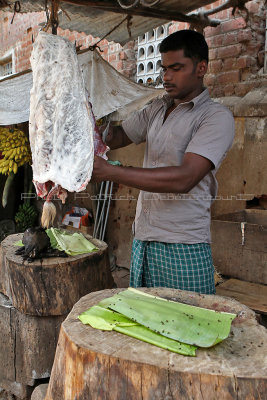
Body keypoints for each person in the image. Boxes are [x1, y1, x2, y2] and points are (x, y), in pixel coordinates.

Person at [92, 29, 235, 294]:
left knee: (188, 327)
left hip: (182, 243)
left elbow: (185, 178)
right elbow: (121, 136)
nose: (166, 77)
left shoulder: (215, 117)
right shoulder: (158, 107)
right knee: (143, 323)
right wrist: (97, 124)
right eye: (164, 68)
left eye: (176, 68)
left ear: (201, 67)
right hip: (144, 236)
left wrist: (112, 172)